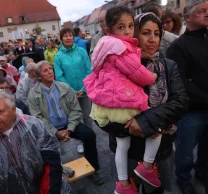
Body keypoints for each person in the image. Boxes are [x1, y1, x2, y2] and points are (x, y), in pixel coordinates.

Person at [100, 12, 189, 194]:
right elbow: (100, 107)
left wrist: (147, 122)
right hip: (128, 151)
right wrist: (126, 128)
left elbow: (180, 102)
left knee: (155, 191)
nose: (152, 39)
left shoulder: (168, 66)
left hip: (159, 152)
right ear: (134, 35)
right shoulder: (116, 64)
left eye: (157, 33)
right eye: (146, 32)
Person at [84, 7, 161, 194]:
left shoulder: (103, 44)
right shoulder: (120, 47)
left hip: (107, 102)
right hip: (122, 102)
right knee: (156, 130)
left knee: (122, 143)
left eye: (130, 26)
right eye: (121, 27)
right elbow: (137, 72)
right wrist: (152, 77)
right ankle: (147, 166)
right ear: (110, 30)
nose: (127, 31)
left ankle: (123, 184)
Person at [166, 0, 208, 193]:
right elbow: (180, 82)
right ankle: (183, 179)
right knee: (185, 150)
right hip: (191, 111)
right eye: (202, 11)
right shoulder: (178, 47)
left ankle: (203, 171)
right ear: (187, 17)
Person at [0, 89, 71, 194]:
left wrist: (47, 191)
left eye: (0, 111)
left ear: (13, 110)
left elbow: (52, 162)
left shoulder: (33, 126)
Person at [28, 61, 104, 185]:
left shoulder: (64, 87)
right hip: (49, 129)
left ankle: (93, 169)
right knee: (43, 150)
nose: (50, 72)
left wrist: (69, 129)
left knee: (89, 135)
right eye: (45, 70)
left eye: (50, 69)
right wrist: (55, 132)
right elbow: (37, 118)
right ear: (39, 76)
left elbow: (76, 109)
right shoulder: (33, 94)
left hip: (68, 124)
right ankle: (54, 176)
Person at [54, 27, 93, 129]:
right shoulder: (58, 56)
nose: (68, 38)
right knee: (74, 119)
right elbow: (59, 76)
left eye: (70, 35)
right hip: (69, 94)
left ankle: (91, 142)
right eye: (65, 36)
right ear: (61, 39)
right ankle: (80, 142)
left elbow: (89, 70)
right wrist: (72, 91)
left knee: (88, 116)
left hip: (84, 91)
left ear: (73, 37)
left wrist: (83, 88)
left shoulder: (81, 52)